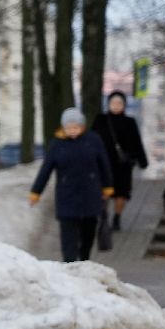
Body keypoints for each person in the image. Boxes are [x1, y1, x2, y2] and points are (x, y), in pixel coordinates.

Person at [30, 107, 114, 262]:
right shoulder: (57, 144)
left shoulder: (93, 140)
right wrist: (36, 192)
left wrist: (107, 186)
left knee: (88, 233)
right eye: (69, 127)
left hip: (90, 194)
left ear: (82, 126)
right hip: (67, 196)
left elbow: (104, 164)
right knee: (68, 236)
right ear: (63, 127)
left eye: (76, 127)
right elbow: (46, 169)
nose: (72, 131)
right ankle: (69, 264)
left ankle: (84, 260)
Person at [90, 91, 148, 230]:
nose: (116, 106)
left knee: (121, 192)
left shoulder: (130, 122)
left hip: (123, 165)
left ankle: (117, 217)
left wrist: (142, 160)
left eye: (119, 103)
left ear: (124, 105)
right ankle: (103, 216)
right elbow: (91, 140)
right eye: (113, 103)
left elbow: (137, 142)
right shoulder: (100, 120)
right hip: (104, 163)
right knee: (103, 191)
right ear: (108, 104)